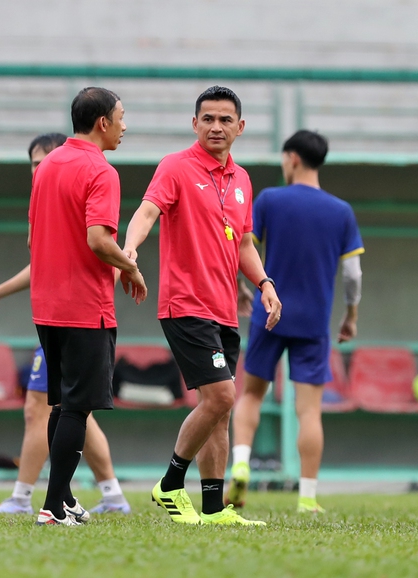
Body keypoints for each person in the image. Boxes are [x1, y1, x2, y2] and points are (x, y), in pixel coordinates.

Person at [124, 86, 282, 526]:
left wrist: (265, 282)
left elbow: (245, 243)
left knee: (221, 412)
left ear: (240, 127)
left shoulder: (243, 180)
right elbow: (147, 211)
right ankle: (171, 483)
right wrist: (130, 249)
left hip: (224, 309)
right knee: (221, 395)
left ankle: (214, 508)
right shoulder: (175, 167)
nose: (216, 126)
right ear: (194, 124)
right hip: (185, 305)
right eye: (208, 118)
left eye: (225, 119)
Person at [0, 133, 133, 516]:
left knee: (47, 407)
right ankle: (104, 496)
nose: (40, 170)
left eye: (46, 162)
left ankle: (32, 498)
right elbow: (44, 263)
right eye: (34, 165)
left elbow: (103, 253)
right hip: (54, 315)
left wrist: (126, 271)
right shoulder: (47, 200)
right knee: (73, 409)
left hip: (75, 316)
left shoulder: (90, 183)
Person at [226, 130, 364, 514]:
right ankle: (306, 497)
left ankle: (239, 464)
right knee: (309, 411)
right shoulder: (341, 211)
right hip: (314, 322)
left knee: (251, 394)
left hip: (268, 314)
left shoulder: (270, 199)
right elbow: (353, 274)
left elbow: (243, 245)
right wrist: (350, 315)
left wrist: (242, 285)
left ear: (291, 159)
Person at [29, 87, 146, 526]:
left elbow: (34, 234)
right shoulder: (101, 170)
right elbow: (99, 240)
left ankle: (60, 501)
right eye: (121, 116)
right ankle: (53, 507)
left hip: (46, 304)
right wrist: (130, 267)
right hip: (83, 305)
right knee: (77, 407)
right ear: (102, 122)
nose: (124, 125)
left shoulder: (48, 165)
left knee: (62, 405)